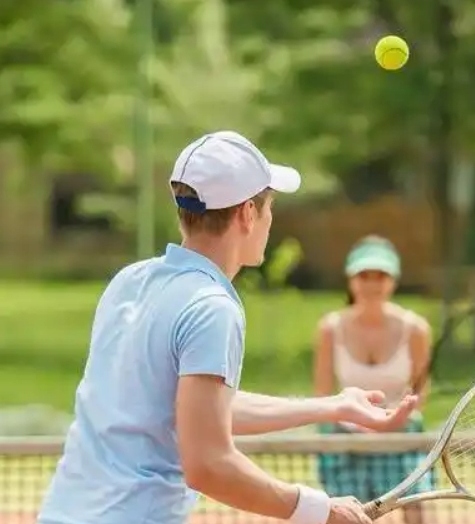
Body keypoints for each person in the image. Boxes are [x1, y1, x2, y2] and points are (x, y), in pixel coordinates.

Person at [36, 131, 420, 524]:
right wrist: (319, 509)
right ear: (248, 214)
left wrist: (334, 406)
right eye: (268, 206)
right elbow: (208, 464)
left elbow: (194, 408)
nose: (270, 220)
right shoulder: (212, 308)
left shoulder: (130, 282)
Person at [314, 236, 434, 524]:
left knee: (416, 507)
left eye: (380, 276)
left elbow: (421, 394)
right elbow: (322, 395)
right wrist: (354, 426)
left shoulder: (416, 329)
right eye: (363, 276)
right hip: (346, 442)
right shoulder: (329, 329)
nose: (371, 284)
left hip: (398, 438)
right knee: (343, 516)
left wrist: (394, 421)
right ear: (351, 280)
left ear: (392, 281)